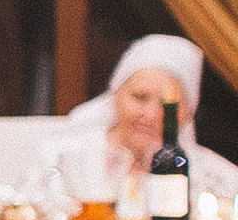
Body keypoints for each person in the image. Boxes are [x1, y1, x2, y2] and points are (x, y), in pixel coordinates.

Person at [46, 32, 238, 204]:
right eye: (140, 98)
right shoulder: (60, 159)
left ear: (188, 114)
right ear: (115, 96)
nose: (152, 115)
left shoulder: (213, 176)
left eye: (168, 106)